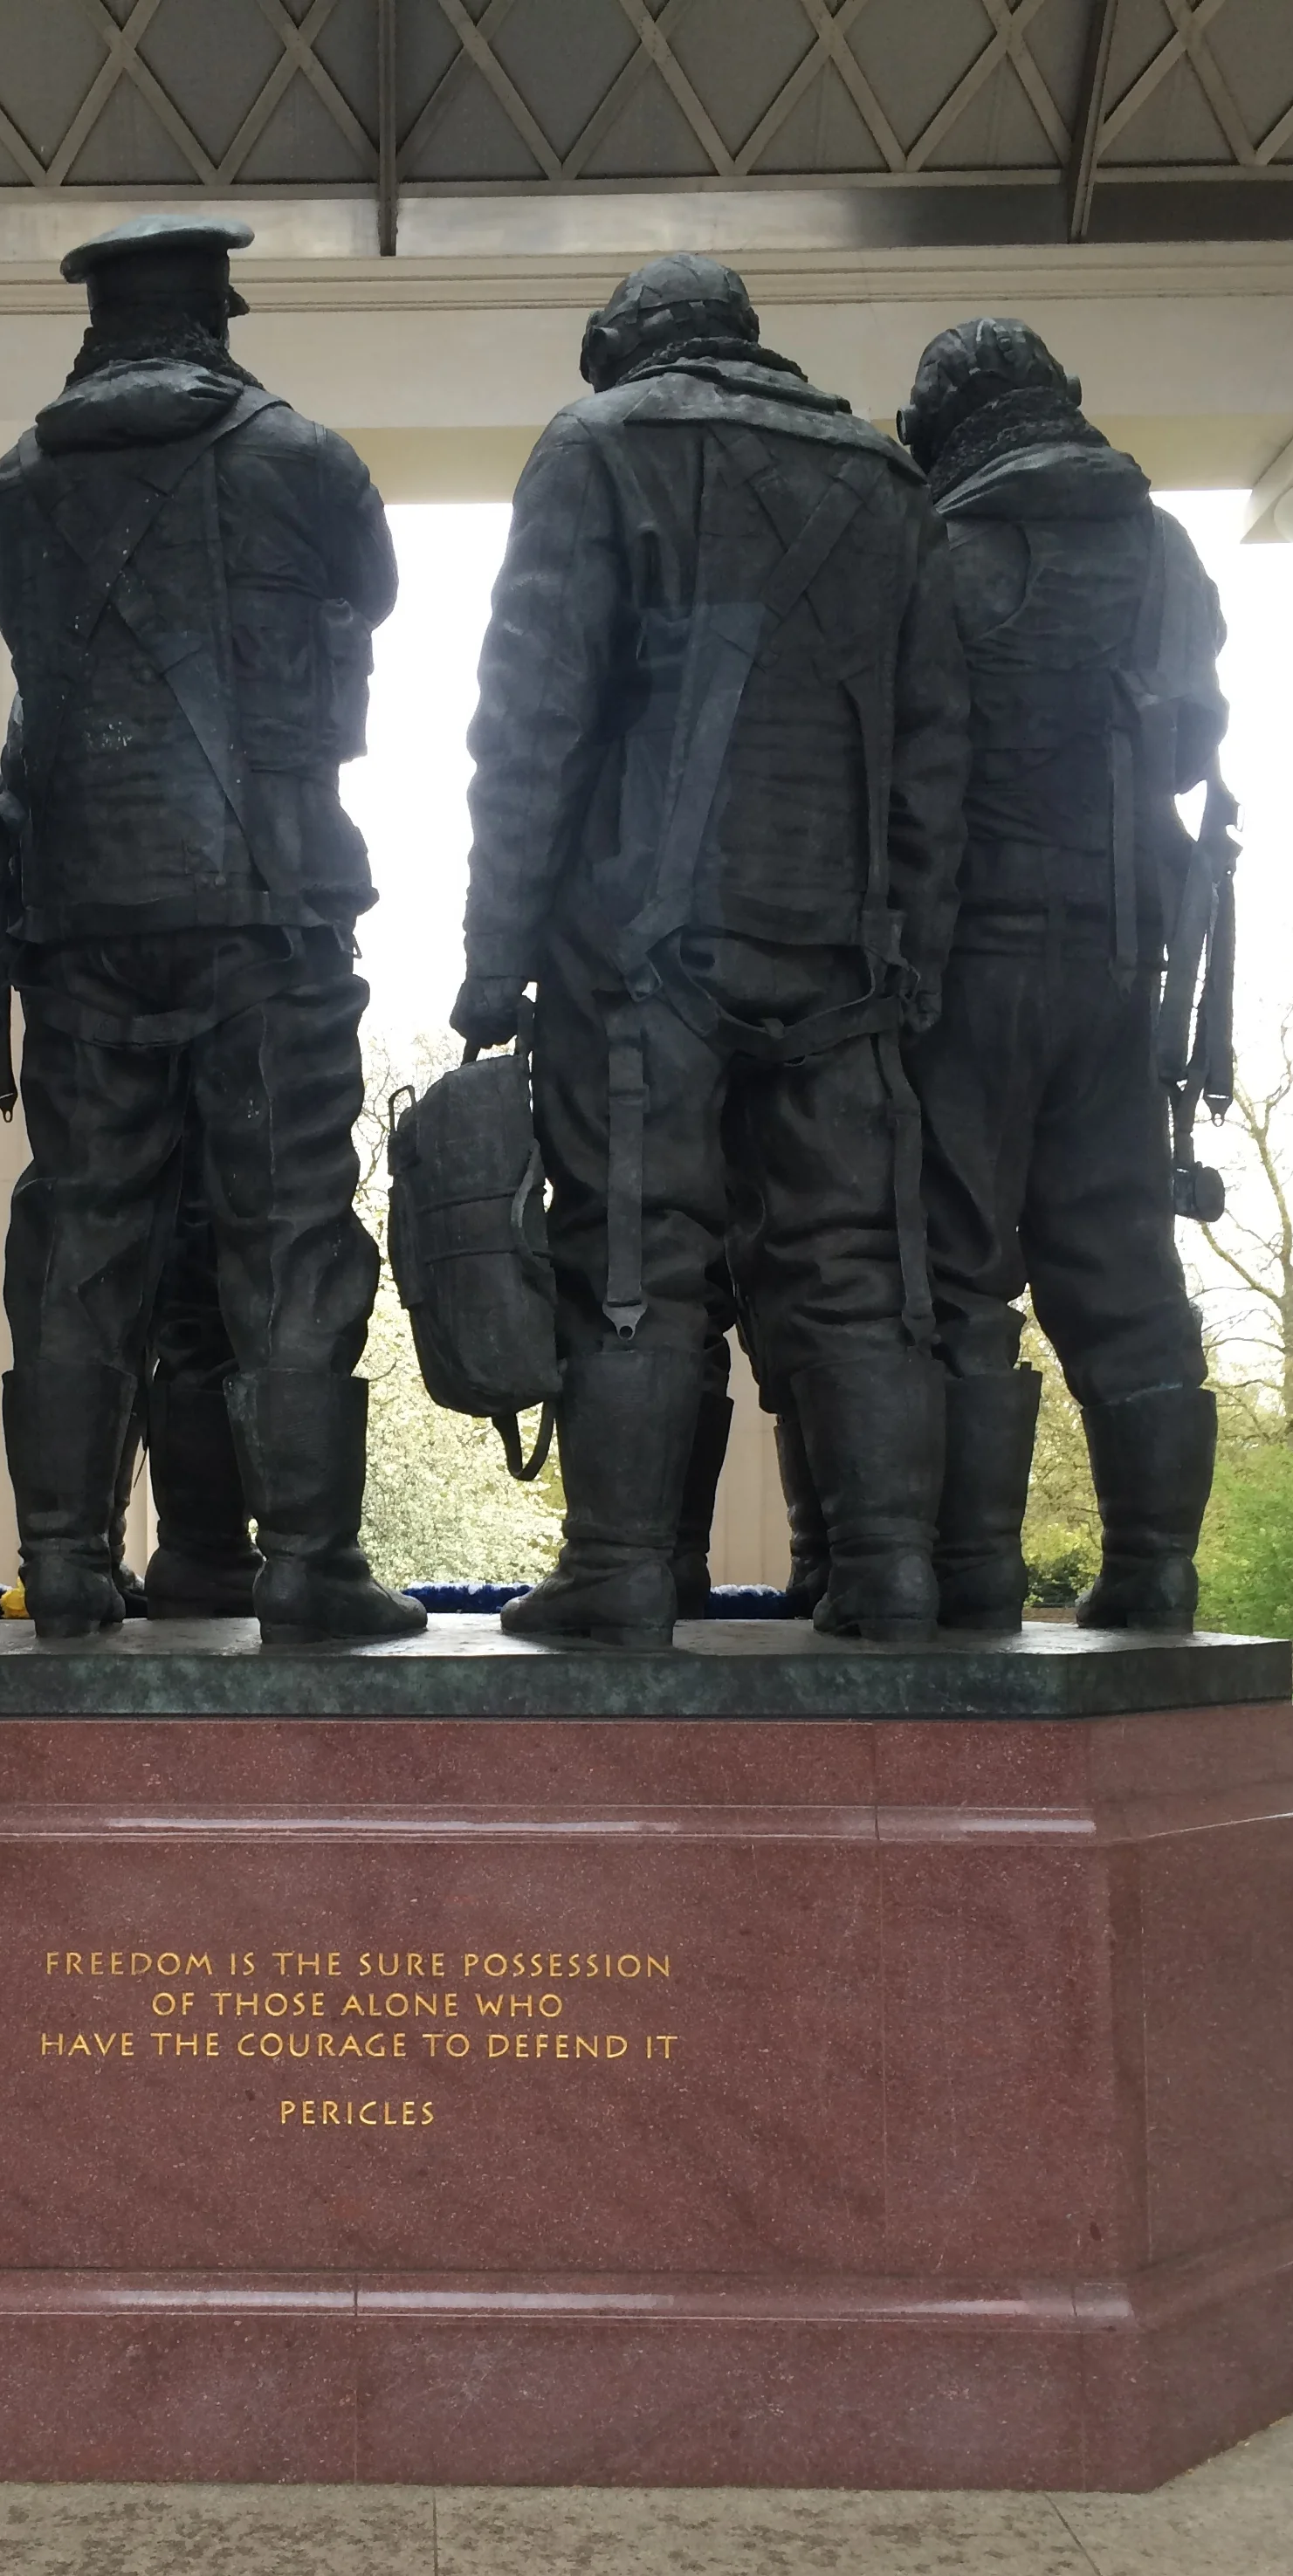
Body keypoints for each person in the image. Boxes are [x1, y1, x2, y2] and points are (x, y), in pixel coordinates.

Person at [452, 253, 968, 1647]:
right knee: (858, 1264)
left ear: (624, 347)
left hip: (636, 950)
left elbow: (532, 729)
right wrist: (908, 958)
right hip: (845, 957)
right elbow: (934, 758)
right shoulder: (884, 479)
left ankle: (626, 1569)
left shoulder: (599, 447)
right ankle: (889, 1571)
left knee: (632, 1251)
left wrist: (495, 952)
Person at [0, 210, 422, 1644]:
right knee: (288, 1225)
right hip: (269, 908)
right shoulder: (304, 458)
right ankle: (305, 1561)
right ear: (220, 319)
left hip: (85, 919)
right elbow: (374, 594)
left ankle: (61, 1557)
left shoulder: (16, 487)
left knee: (88, 1230)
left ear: (95, 327)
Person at [898, 319, 1230, 1631]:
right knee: (1125, 1262)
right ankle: (1155, 1567)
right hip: (1119, 959)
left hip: (966, 964)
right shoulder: (1166, 549)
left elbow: (902, 769)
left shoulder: (941, 549)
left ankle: (973, 1570)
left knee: (957, 1269)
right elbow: (1193, 740)